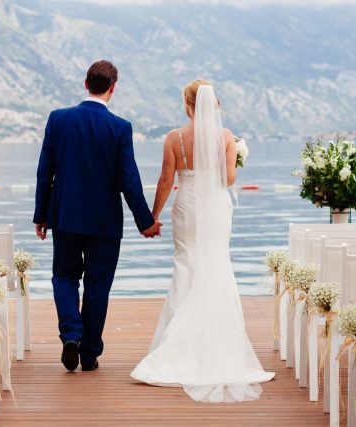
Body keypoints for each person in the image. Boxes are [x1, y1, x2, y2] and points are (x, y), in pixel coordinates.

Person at [130, 80, 274, 402]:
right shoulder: (225, 137)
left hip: (187, 204)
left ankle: (177, 345)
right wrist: (229, 158)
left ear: (188, 104)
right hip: (216, 206)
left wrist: (152, 216)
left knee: (186, 263)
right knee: (217, 263)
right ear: (215, 104)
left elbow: (166, 179)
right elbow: (229, 178)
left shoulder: (174, 138)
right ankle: (216, 343)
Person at [34, 59, 162, 372]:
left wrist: (41, 214)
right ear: (112, 88)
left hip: (65, 216)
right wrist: (146, 222)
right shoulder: (120, 127)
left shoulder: (58, 119)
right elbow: (129, 180)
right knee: (98, 285)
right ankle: (89, 353)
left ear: (85, 83)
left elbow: (45, 172)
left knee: (64, 276)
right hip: (105, 221)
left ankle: (71, 335)